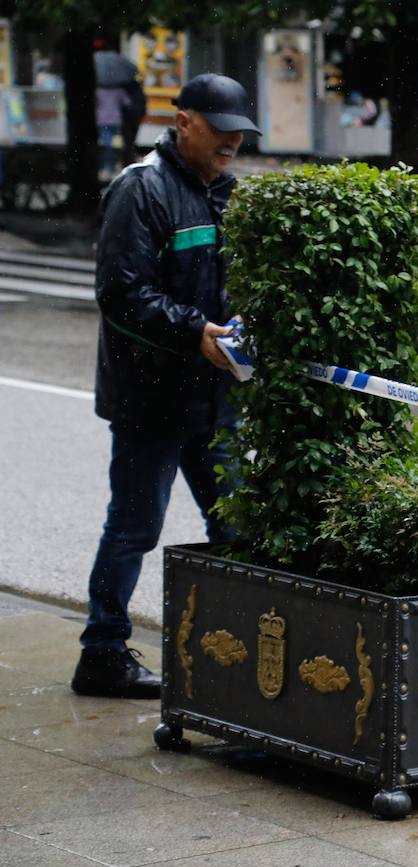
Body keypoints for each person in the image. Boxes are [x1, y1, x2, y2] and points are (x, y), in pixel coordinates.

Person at [72, 74, 260, 699]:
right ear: (184, 122)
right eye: (221, 126)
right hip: (151, 398)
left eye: (240, 129)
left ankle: (236, 653)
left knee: (236, 526)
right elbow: (122, 295)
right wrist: (195, 331)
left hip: (212, 395)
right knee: (135, 526)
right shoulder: (142, 188)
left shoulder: (224, 194)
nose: (233, 139)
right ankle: (101, 653)